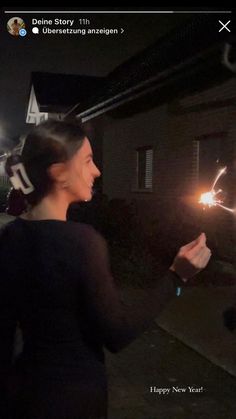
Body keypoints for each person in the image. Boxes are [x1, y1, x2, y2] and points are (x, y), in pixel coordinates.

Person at [0, 119, 211, 419]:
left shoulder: (10, 236)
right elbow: (117, 333)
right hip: (76, 399)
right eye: (87, 161)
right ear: (59, 172)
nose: (96, 171)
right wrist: (177, 277)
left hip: (24, 393)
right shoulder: (83, 242)